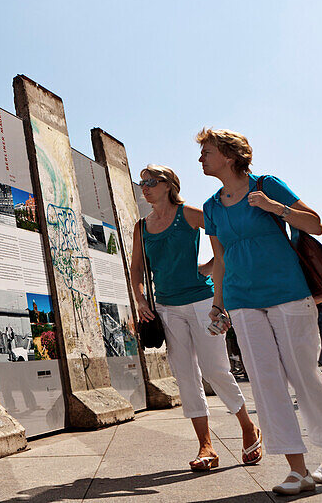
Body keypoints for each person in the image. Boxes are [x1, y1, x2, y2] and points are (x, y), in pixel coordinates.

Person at [198, 128, 322, 493]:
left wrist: (275, 208)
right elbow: (220, 259)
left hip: (287, 291)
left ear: (229, 154)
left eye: (206, 151)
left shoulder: (266, 184)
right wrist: (218, 304)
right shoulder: (211, 206)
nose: (200, 158)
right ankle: (296, 469)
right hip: (241, 299)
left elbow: (314, 223)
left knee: (303, 373)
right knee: (266, 383)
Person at [130, 164, 261, 472]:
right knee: (185, 376)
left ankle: (247, 426)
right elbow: (136, 268)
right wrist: (140, 299)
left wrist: (209, 267)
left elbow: (225, 240)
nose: (145, 187)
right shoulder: (141, 226)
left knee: (216, 370)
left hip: (203, 302)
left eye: (151, 181)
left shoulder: (187, 213)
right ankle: (206, 446)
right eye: (142, 182)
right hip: (166, 308)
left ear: (168, 184)